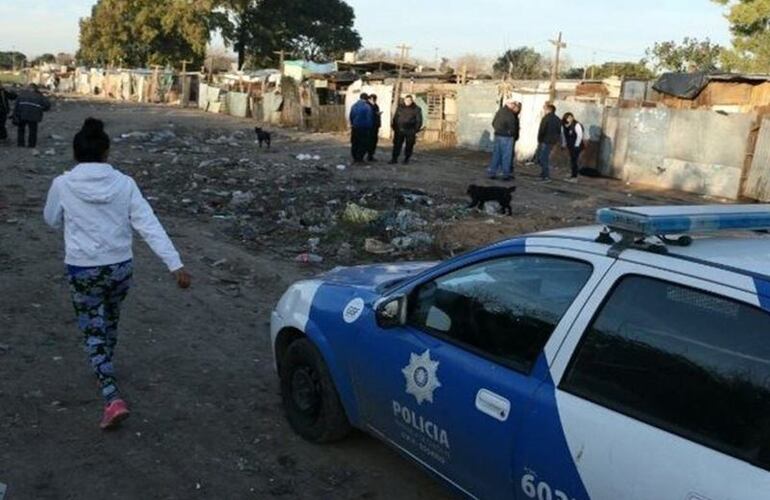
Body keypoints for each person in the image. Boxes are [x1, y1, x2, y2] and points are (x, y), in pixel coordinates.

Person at [43, 118, 191, 430]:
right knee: (110, 320)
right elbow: (148, 224)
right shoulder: (125, 184)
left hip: (83, 268)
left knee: (91, 328)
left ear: (76, 153)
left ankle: (111, 395)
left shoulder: (63, 184)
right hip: (120, 266)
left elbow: (51, 219)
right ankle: (104, 364)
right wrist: (174, 263)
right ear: (107, 152)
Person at [487, 99, 520, 181]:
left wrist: (498, 130)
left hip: (498, 135)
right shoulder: (509, 114)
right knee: (506, 156)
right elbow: (513, 127)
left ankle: (492, 173)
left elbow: (493, 123)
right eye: (513, 104)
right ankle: (505, 174)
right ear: (510, 104)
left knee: (496, 155)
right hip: (507, 137)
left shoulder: (500, 111)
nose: (514, 106)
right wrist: (511, 133)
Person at [14, 83, 51, 148]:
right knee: (33, 131)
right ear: (36, 89)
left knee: (21, 130)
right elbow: (47, 105)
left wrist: (15, 114)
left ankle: (20, 144)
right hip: (34, 116)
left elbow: (16, 105)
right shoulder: (39, 96)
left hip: (22, 115)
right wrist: (41, 110)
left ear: (28, 88)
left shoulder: (22, 94)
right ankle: (31, 145)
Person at [389, 95, 423, 165]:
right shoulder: (400, 107)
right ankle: (394, 158)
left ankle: (406, 159)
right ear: (404, 100)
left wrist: (415, 130)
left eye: (409, 100)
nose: (407, 102)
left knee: (409, 145)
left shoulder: (416, 109)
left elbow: (419, 121)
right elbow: (395, 117)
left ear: (412, 101)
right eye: (406, 100)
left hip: (410, 130)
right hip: (399, 130)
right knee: (397, 145)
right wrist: (394, 126)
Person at [536, 103, 562, 182]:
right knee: (545, 157)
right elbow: (559, 131)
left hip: (545, 140)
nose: (544, 110)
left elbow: (542, 130)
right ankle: (543, 173)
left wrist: (539, 139)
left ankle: (546, 175)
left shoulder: (546, 118)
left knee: (543, 158)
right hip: (552, 141)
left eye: (545, 109)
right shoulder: (557, 119)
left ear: (548, 110)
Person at [349, 92, 374, 164]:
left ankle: (355, 158)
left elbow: (351, 116)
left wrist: (353, 124)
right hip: (364, 128)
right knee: (363, 143)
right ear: (366, 99)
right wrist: (370, 127)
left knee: (355, 143)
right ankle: (360, 159)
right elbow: (369, 118)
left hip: (355, 127)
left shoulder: (354, 106)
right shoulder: (367, 107)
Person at [561, 112, 585, 182]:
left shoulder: (576, 124)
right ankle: (573, 174)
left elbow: (580, 135)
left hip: (576, 146)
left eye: (571, 117)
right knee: (572, 160)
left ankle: (574, 177)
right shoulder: (564, 126)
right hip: (570, 145)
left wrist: (576, 145)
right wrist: (563, 144)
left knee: (574, 161)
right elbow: (563, 136)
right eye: (568, 118)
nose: (570, 119)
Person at [367, 94, 382, 161]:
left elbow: (377, 115)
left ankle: (371, 155)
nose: (373, 101)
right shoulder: (367, 106)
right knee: (367, 141)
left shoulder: (376, 106)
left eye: (374, 99)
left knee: (373, 142)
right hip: (368, 127)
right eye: (372, 99)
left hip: (375, 126)